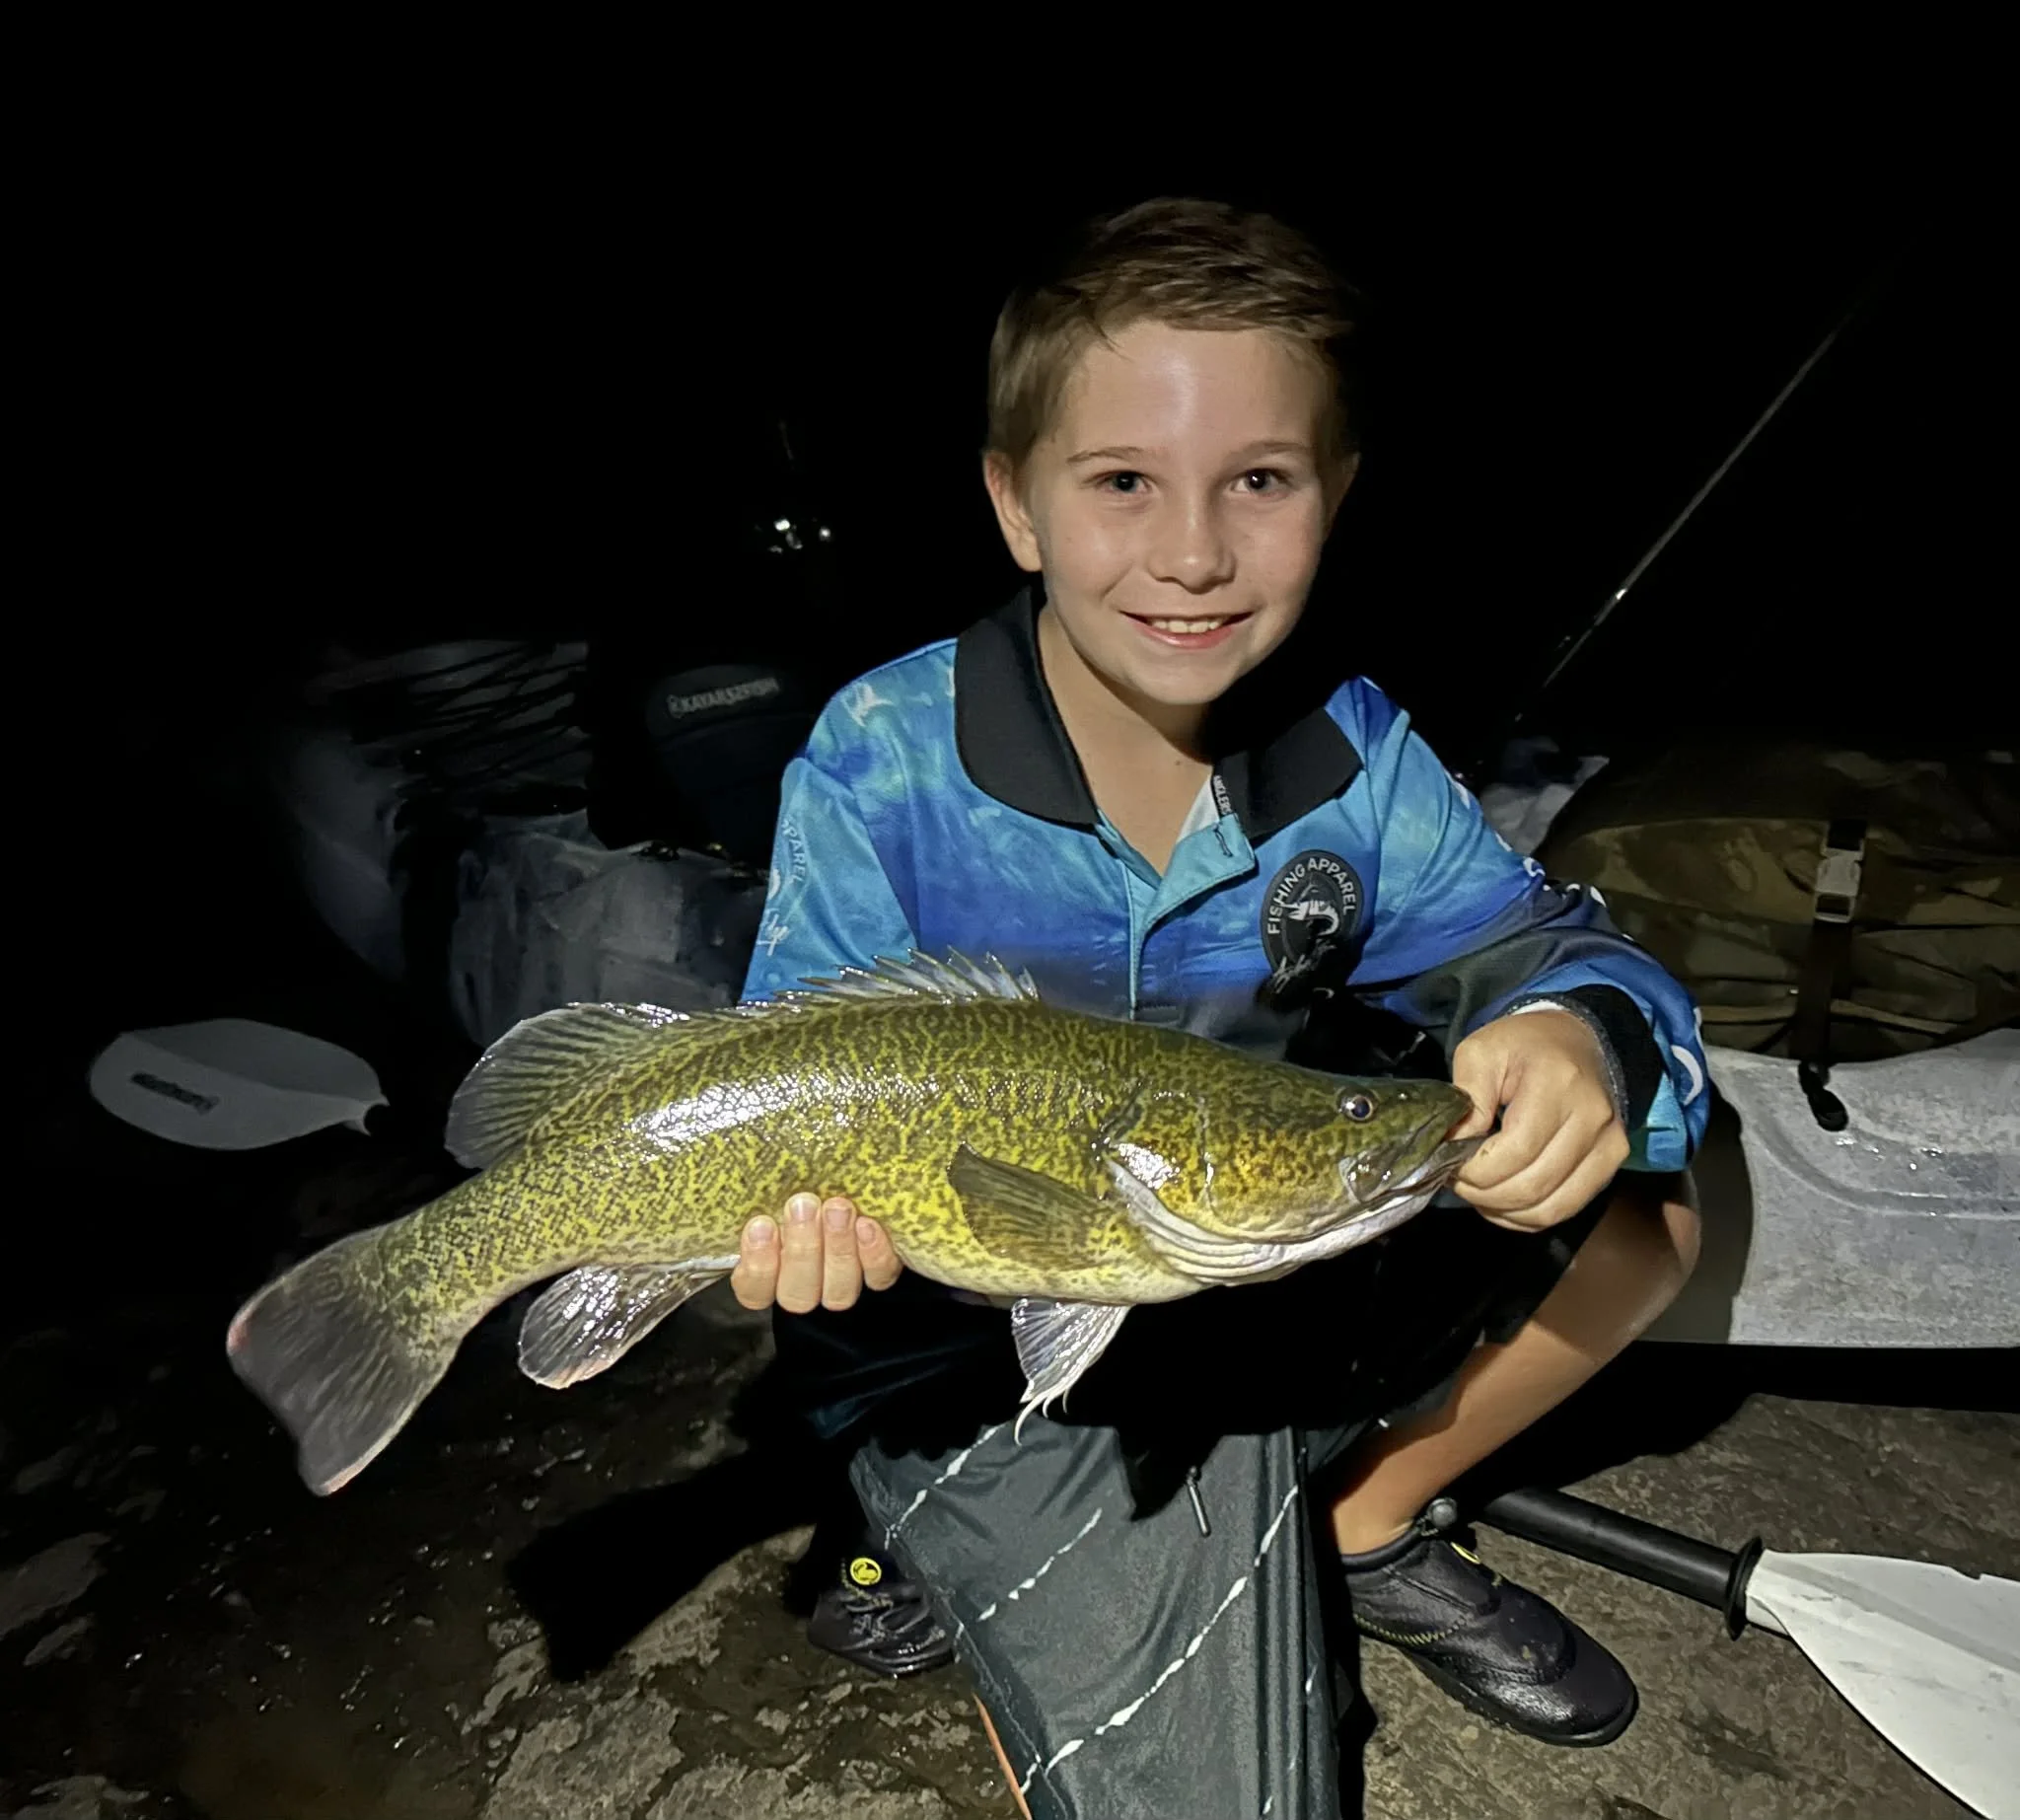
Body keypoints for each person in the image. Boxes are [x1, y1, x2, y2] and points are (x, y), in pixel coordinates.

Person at [731, 197, 1707, 1820]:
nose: (1193, 552)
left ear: (1335, 497)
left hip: (1233, 1233)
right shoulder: (881, 755)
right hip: (963, 1338)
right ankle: (935, 1533)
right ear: (1015, 506)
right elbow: (794, 1071)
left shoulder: (1354, 750)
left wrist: (1581, 1029)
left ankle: (1362, 1517)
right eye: (1122, 482)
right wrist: (813, 1235)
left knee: (1655, 1193)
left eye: (1259, 480)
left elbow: (1560, 947)